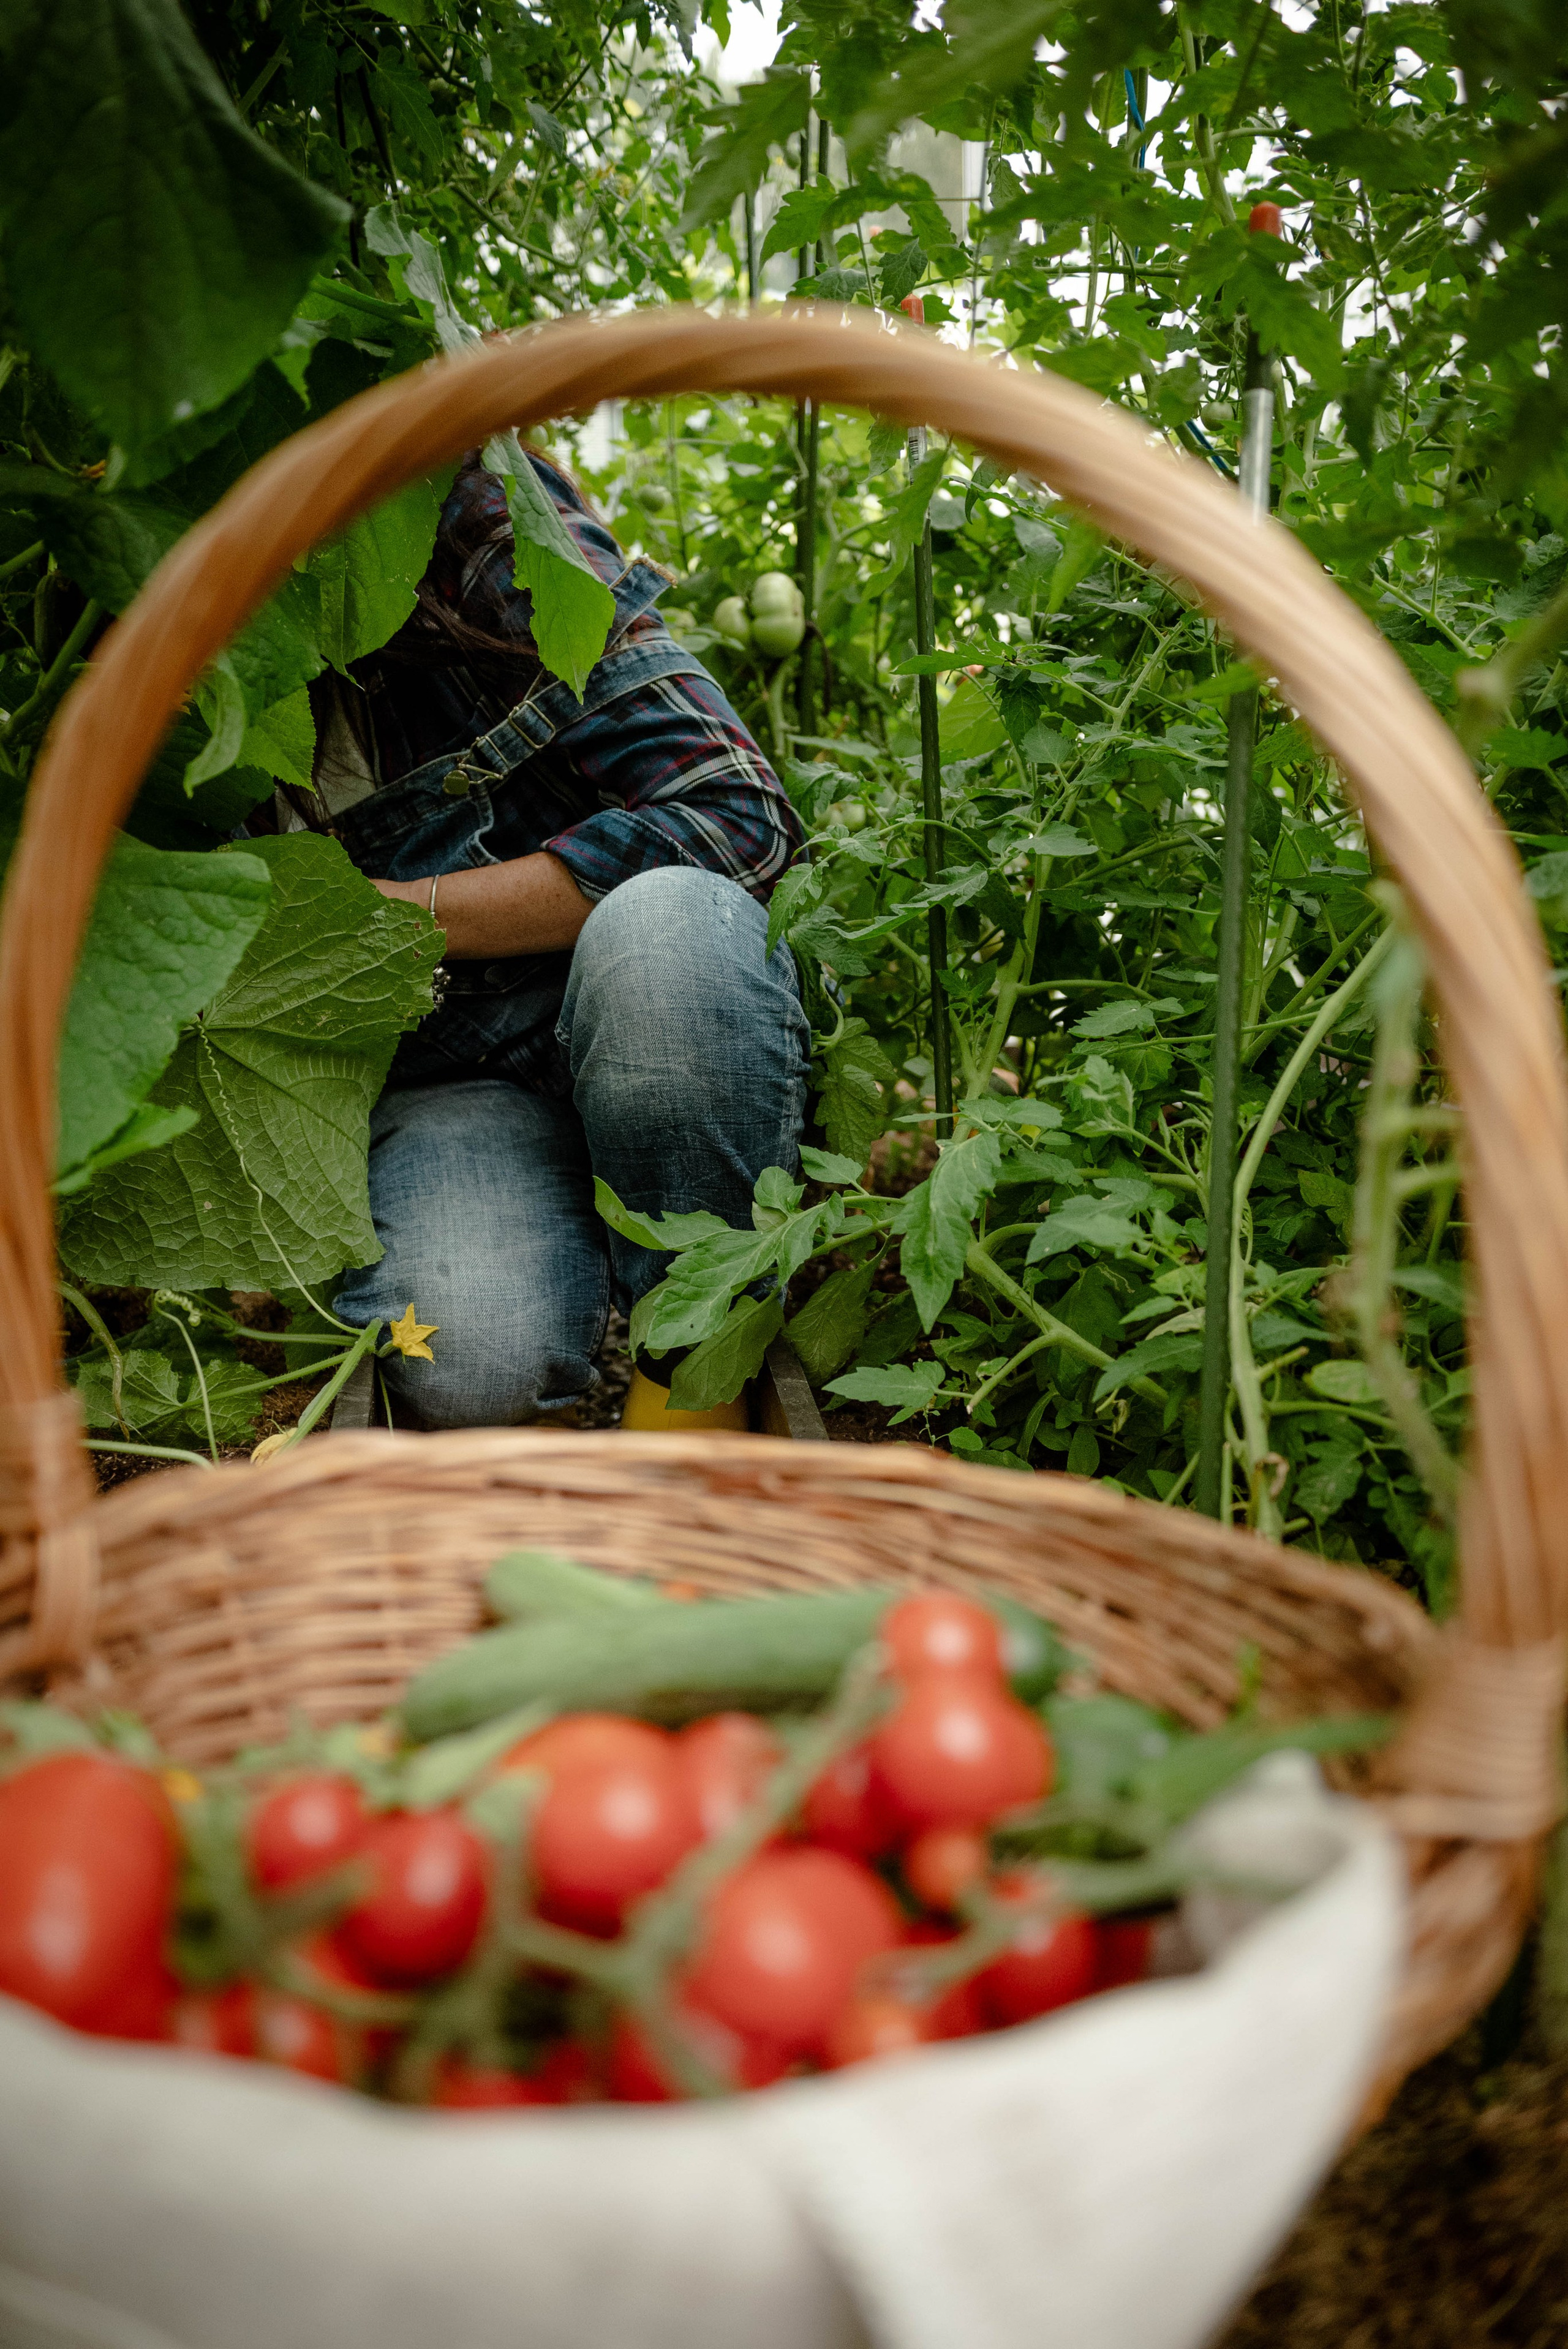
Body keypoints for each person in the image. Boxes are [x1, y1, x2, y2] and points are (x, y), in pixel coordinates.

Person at [267, 445, 807, 1430]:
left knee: (665, 925)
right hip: (452, 1082)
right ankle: (594, 1214)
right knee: (468, 1367)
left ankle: (693, 1372)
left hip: (653, 1011)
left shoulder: (455, 514)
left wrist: (390, 919)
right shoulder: (153, 662)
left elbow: (740, 817)